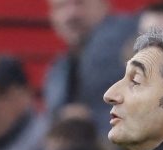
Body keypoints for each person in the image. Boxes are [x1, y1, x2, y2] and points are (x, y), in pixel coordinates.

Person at [44, 0, 139, 138]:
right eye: (61, 6)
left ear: (104, 4)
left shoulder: (127, 42)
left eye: (80, 3)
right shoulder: (59, 67)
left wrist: (89, 121)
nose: (71, 14)